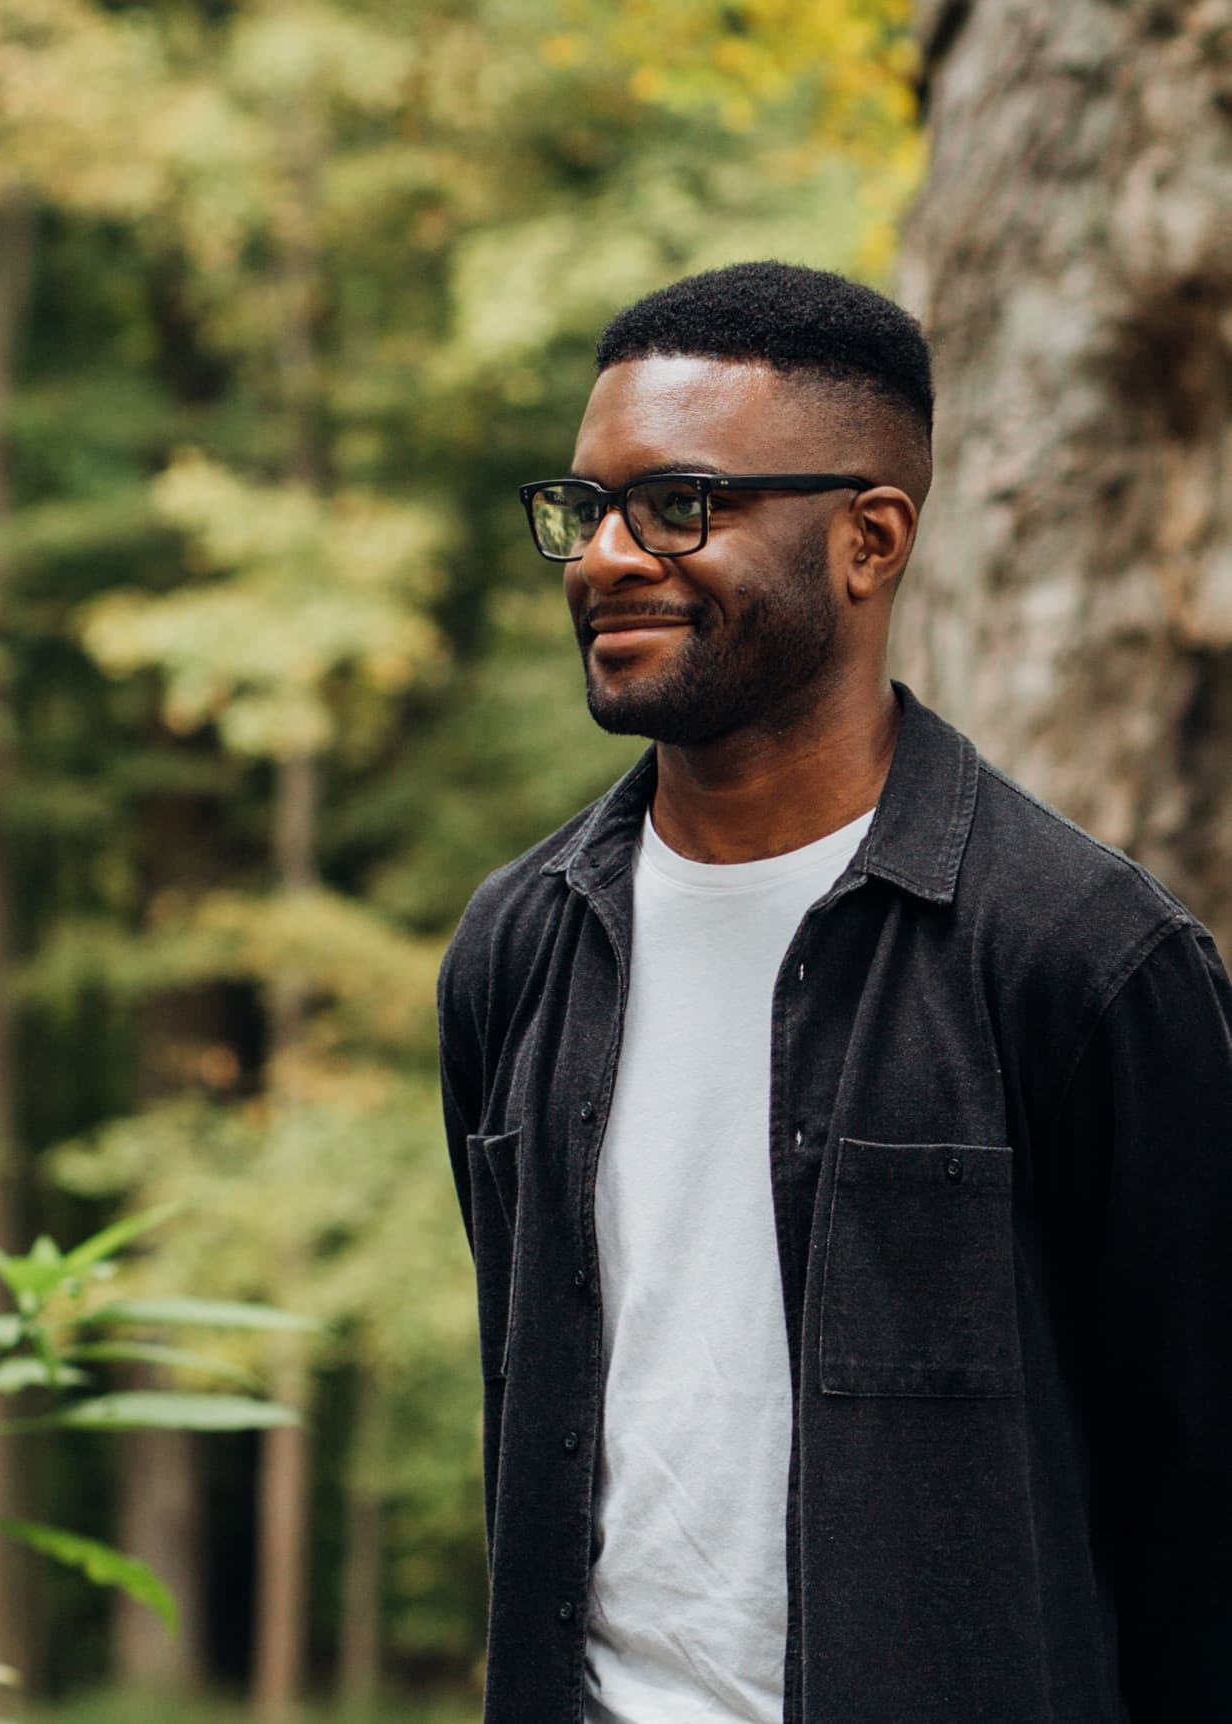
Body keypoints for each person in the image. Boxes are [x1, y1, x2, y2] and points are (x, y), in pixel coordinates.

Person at [436, 261, 1232, 1724]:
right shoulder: (516, 948)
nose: (604, 554)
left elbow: (1203, 1500)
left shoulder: (1081, 960)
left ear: (868, 540)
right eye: (583, 508)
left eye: (678, 504)